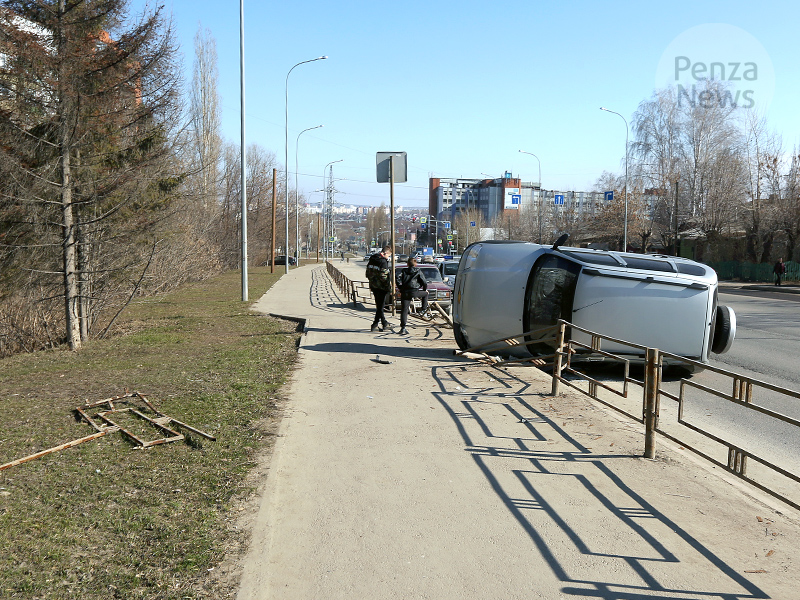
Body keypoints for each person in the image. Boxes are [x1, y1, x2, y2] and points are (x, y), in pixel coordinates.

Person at [395, 257, 429, 335]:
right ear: (415, 264)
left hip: (405, 292)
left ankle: (403, 328)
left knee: (404, 310)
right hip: (414, 291)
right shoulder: (418, 271)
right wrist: (424, 289)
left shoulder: (404, 271)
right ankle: (423, 309)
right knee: (425, 294)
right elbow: (424, 282)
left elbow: (397, 278)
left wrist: (400, 287)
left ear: (407, 264)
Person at [366, 246, 392, 332]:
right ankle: (377, 324)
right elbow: (384, 276)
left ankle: (382, 323)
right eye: (388, 256)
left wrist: (372, 280)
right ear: (385, 253)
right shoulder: (383, 262)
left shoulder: (372, 259)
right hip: (381, 287)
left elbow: (367, 273)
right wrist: (388, 286)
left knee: (379, 305)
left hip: (373, 285)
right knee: (380, 306)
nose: (388, 257)